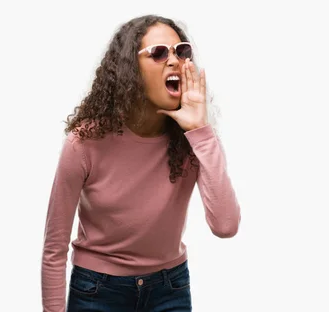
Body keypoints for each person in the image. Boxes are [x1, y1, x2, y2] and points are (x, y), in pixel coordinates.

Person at [41, 14, 241, 312]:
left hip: (169, 287)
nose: (174, 60)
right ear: (129, 71)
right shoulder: (85, 142)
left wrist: (201, 132)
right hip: (97, 288)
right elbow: (54, 249)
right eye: (159, 53)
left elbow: (226, 226)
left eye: (181, 51)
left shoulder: (192, 140)